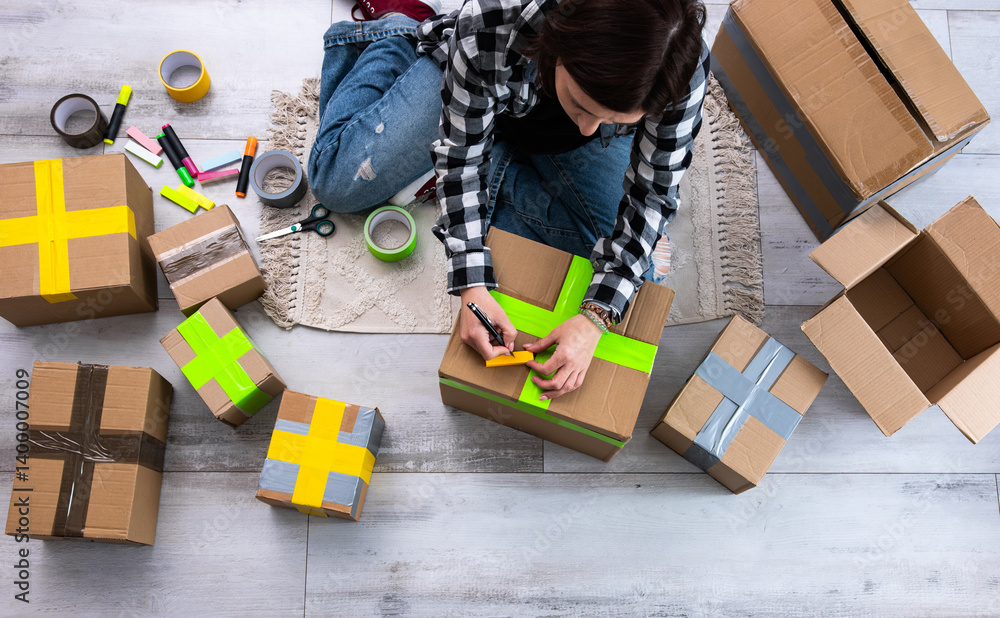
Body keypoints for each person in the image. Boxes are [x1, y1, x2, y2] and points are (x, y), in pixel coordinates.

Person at [308, 0, 709, 400]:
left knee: (639, 280)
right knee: (337, 185)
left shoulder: (677, 65)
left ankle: (499, 165)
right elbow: (461, 158)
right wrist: (471, 284)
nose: (589, 129)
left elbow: (652, 195)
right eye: (584, 105)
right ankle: (398, 31)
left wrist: (594, 320)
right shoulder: (493, 20)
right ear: (560, 46)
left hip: (538, 129)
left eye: (614, 120)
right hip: (473, 84)